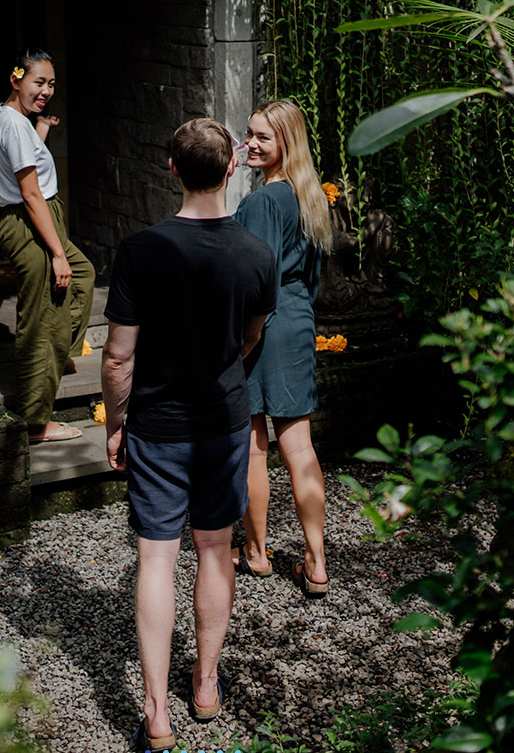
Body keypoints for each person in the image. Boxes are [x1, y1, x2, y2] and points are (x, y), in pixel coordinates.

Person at [102, 118, 276, 752]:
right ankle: (205, 685)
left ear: (171, 169)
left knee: (155, 557)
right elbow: (251, 334)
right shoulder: (257, 254)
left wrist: (114, 423)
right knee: (214, 548)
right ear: (233, 168)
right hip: (223, 421)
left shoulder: (140, 252)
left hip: (157, 424)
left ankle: (155, 715)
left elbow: (119, 357)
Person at [231, 100, 332, 598]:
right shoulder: (309, 196)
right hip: (296, 321)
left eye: (262, 138)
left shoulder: (259, 203)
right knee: (300, 447)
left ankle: (256, 551)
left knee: (254, 445)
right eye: (248, 134)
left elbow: (252, 282)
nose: (250, 143)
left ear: (284, 145)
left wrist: (245, 337)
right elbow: (310, 279)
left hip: (262, 327)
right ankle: (316, 561)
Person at [0, 48, 95, 442]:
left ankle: (56, 351)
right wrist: (55, 253)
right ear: (16, 80)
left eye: (51, 83)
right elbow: (31, 194)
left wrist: (43, 130)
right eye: (38, 82)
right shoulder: (14, 126)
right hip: (31, 219)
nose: (47, 90)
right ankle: (35, 421)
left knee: (82, 274)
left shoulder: (11, 118)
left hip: (40, 216)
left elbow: (29, 156)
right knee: (43, 316)